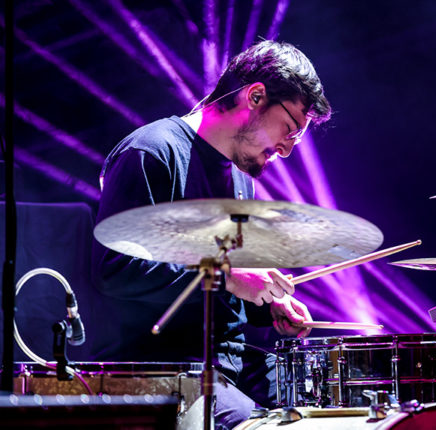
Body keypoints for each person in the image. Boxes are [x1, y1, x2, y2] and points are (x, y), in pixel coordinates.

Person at [90, 40, 332, 429]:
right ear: (255, 96)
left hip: (228, 364)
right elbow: (115, 269)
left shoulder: (239, 175)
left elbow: (226, 291)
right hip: (163, 366)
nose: (287, 150)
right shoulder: (152, 152)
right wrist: (226, 276)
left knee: (327, 410)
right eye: (290, 129)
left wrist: (268, 305)